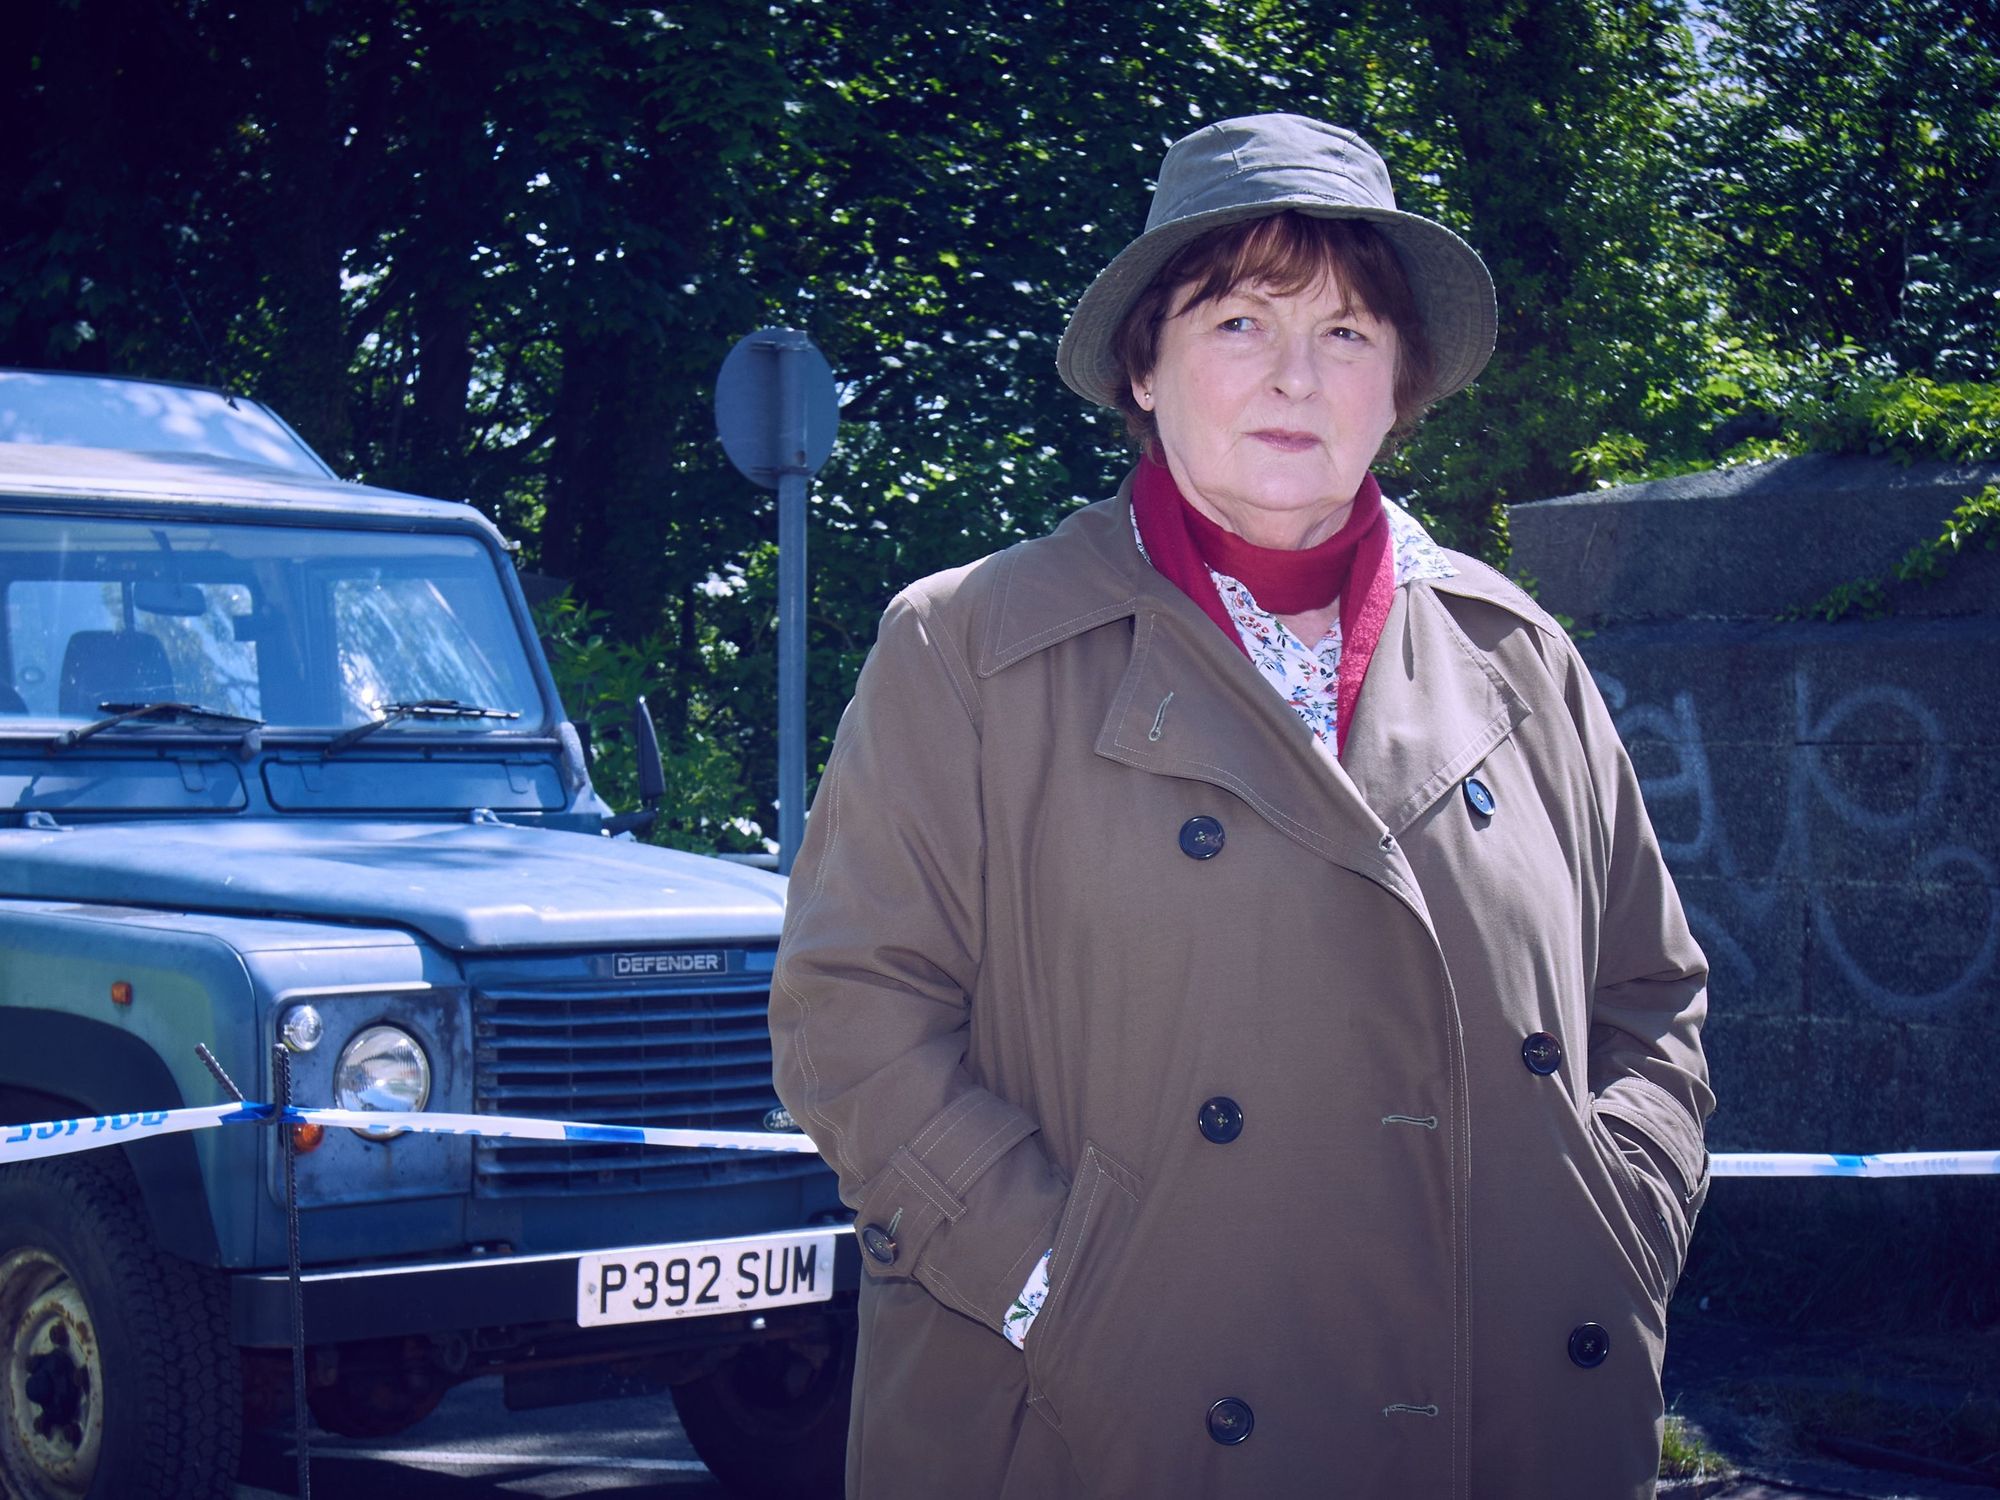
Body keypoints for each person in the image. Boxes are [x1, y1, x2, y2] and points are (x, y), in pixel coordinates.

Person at [771, 113, 1712, 1500]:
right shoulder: (969, 644)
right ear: (1143, 366)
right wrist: (1054, 1288)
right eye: (1238, 322)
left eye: (1346, 332)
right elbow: (851, 1012)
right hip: (1109, 1421)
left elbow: (1650, 995)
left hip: (1506, 1417)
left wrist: (1617, 1218)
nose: (1296, 375)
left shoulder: (1518, 656)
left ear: (1400, 381)